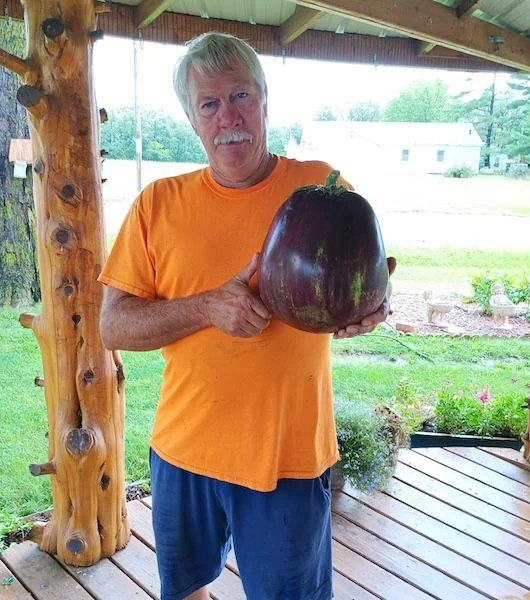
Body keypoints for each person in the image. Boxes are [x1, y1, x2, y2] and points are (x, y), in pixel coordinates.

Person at [99, 32, 395, 600]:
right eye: (209, 103)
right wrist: (209, 305)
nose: (227, 116)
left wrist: (370, 310)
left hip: (287, 455)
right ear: (192, 119)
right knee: (184, 589)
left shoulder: (323, 188)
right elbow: (114, 325)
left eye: (240, 95)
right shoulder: (158, 205)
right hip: (183, 448)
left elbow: (364, 283)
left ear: (264, 100)